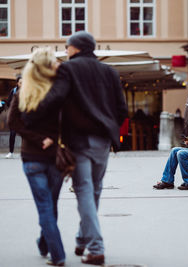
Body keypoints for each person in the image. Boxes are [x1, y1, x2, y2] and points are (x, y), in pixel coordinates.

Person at [23, 31, 128, 266]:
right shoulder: (110, 72)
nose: (66, 50)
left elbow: (56, 97)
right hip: (103, 142)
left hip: (78, 141)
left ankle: (96, 247)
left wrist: (31, 115)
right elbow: (122, 109)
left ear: (76, 48)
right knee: (95, 190)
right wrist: (108, 127)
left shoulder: (68, 70)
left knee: (84, 191)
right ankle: (82, 239)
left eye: (67, 46)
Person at [7, 47, 65, 266]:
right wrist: (47, 137)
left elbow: (13, 122)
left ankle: (45, 243)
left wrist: (38, 138)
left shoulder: (24, 91)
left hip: (32, 157)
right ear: (47, 66)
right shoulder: (58, 91)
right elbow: (66, 121)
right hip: (48, 156)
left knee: (46, 205)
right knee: (50, 205)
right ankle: (57, 254)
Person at [5, 75, 22, 158]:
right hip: (15, 116)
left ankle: (24, 152)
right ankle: (11, 152)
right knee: (12, 134)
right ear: (17, 83)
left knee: (26, 134)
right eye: (20, 83)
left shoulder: (27, 91)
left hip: (24, 116)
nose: (22, 84)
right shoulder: (14, 91)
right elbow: (8, 102)